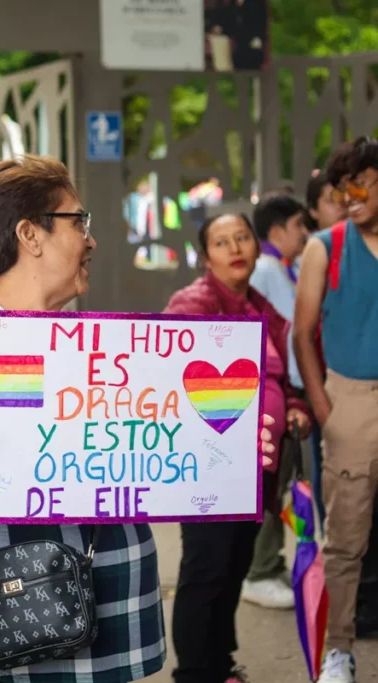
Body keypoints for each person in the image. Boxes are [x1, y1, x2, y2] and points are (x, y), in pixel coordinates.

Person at [0, 155, 168, 682]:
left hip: (112, 591)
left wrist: (227, 457)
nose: (90, 240)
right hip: (11, 606)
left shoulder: (113, 349)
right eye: (79, 222)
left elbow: (170, 448)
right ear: (30, 234)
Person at [167, 213, 310, 683]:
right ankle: (194, 673)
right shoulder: (192, 304)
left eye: (242, 237)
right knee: (206, 570)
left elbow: (278, 380)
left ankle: (219, 664)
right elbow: (170, 378)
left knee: (233, 566)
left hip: (257, 468)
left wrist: (292, 406)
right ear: (205, 257)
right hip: (209, 470)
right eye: (222, 242)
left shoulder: (261, 308)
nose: (235, 248)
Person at [294, 137, 378, 683]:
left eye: (360, 183)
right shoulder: (326, 246)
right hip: (352, 400)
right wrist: (326, 408)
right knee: (346, 539)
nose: (348, 196)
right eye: (339, 187)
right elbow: (300, 334)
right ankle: (338, 650)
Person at [240, 195, 310, 610]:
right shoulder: (266, 270)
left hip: (291, 397)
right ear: (278, 229)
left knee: (282, 486)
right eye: (299, 224)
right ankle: (259, 570)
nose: (305, 232)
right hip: (275, 397)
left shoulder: (287, 268)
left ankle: (270, 562)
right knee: (269, 488)